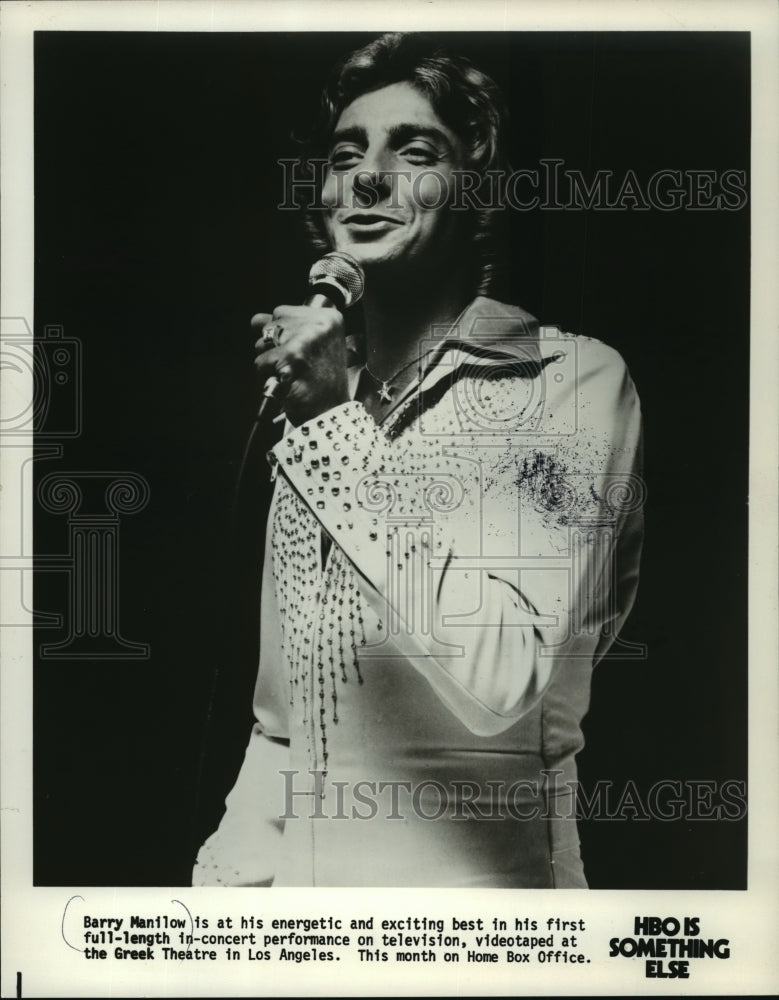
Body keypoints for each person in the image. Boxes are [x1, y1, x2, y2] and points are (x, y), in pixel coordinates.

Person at [192, 32, 643, 888]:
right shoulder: (324, 393)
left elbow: (503, 666)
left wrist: (330, 425)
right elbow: (281, 721)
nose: (368, 175)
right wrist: (223, 888)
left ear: (474, 192)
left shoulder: (573, 382)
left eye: (416, 149)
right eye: (345, 153)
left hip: (478, 913)